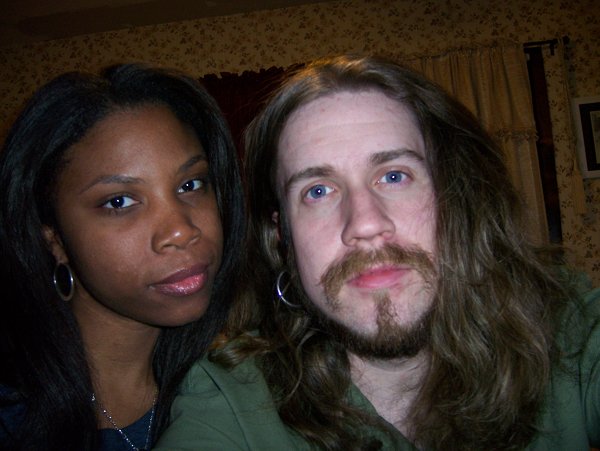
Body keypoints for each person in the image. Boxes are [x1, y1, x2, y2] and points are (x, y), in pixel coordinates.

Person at [155, 55, 600, 450]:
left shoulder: (568, 334)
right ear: (281, 238)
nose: (365, 224)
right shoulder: (231, 401)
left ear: (454, 198)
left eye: (394, 176)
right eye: (318, 190)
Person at [0, 63, 244, 450]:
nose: (181, 231)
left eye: (191, 184)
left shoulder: (234, 385)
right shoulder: (12, 418)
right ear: (54, 239)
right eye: (120, 202)